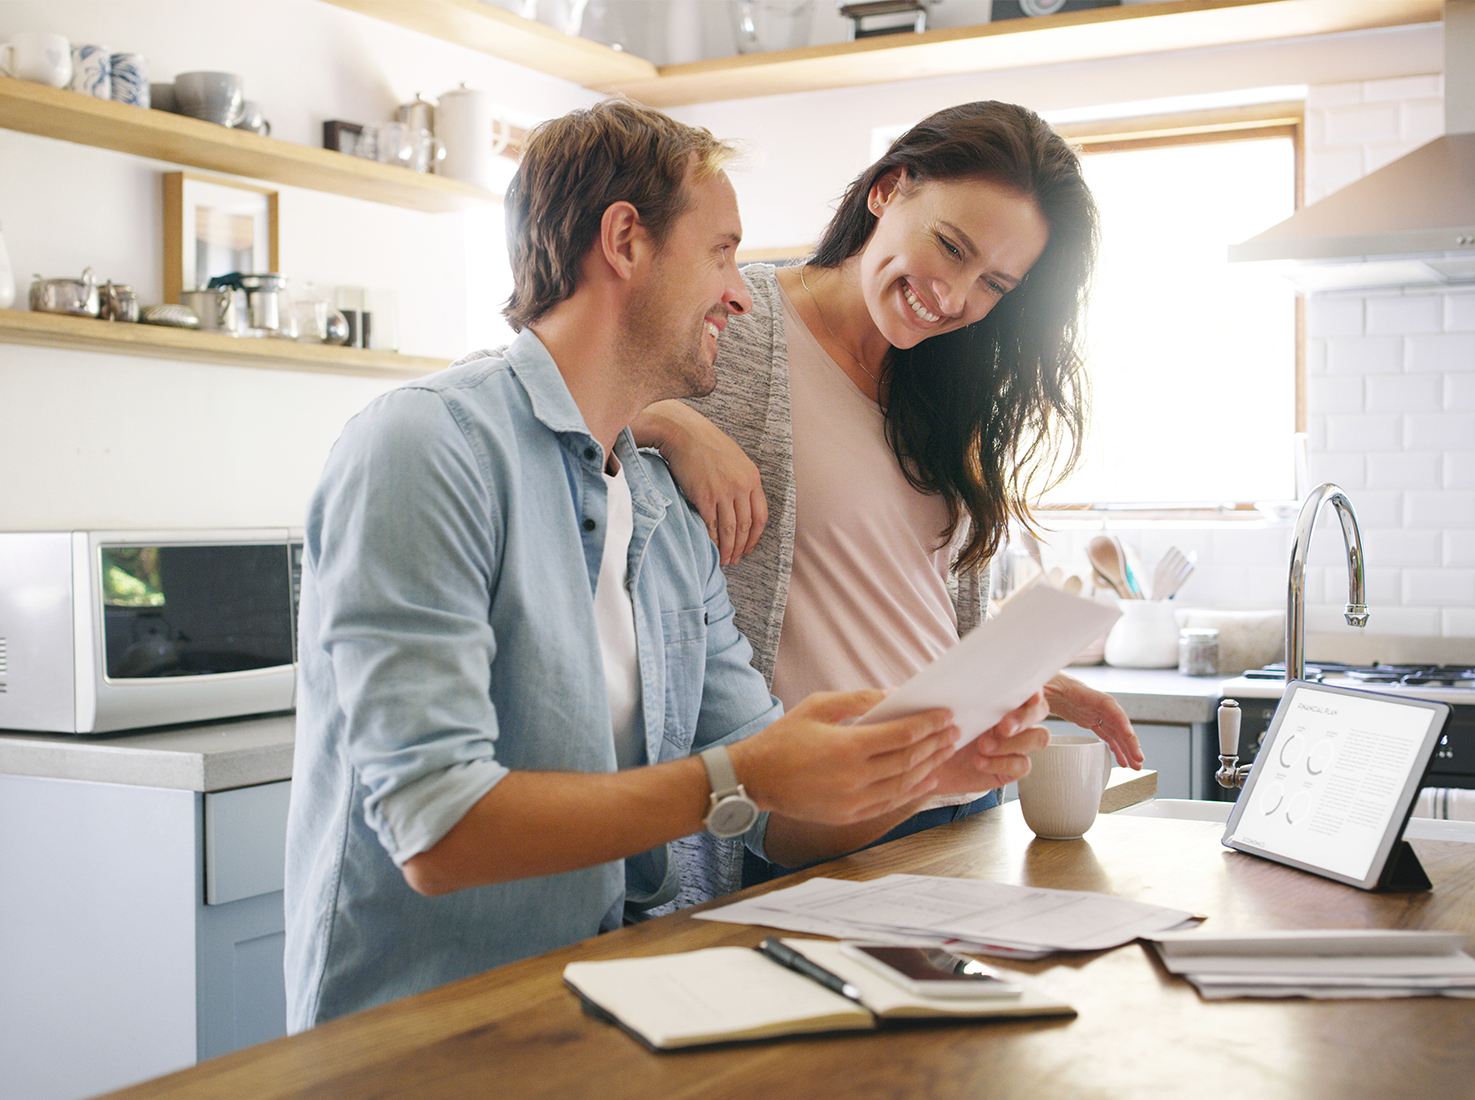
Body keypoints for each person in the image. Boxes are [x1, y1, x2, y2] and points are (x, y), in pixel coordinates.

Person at [283, 99, 1049, 1031]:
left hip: (612, 1011)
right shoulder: (424, 447)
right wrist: (740, 775)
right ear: (625, 242)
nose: (741, 294)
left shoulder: (666, 518)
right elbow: (434, 828)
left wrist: (923, 767)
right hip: (423, 1037)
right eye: (722, 253)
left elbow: (777, 819)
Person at [633, 101, 1145, 896]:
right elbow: (549, 381)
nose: (955, 296)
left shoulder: (948, 385)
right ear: (888, 189)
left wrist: (1019, 678)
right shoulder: (738, 322)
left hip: (960, 804)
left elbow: (902, 600)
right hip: (809, 820)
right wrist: (672, 425)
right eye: (951, 247)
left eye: (995, 283)